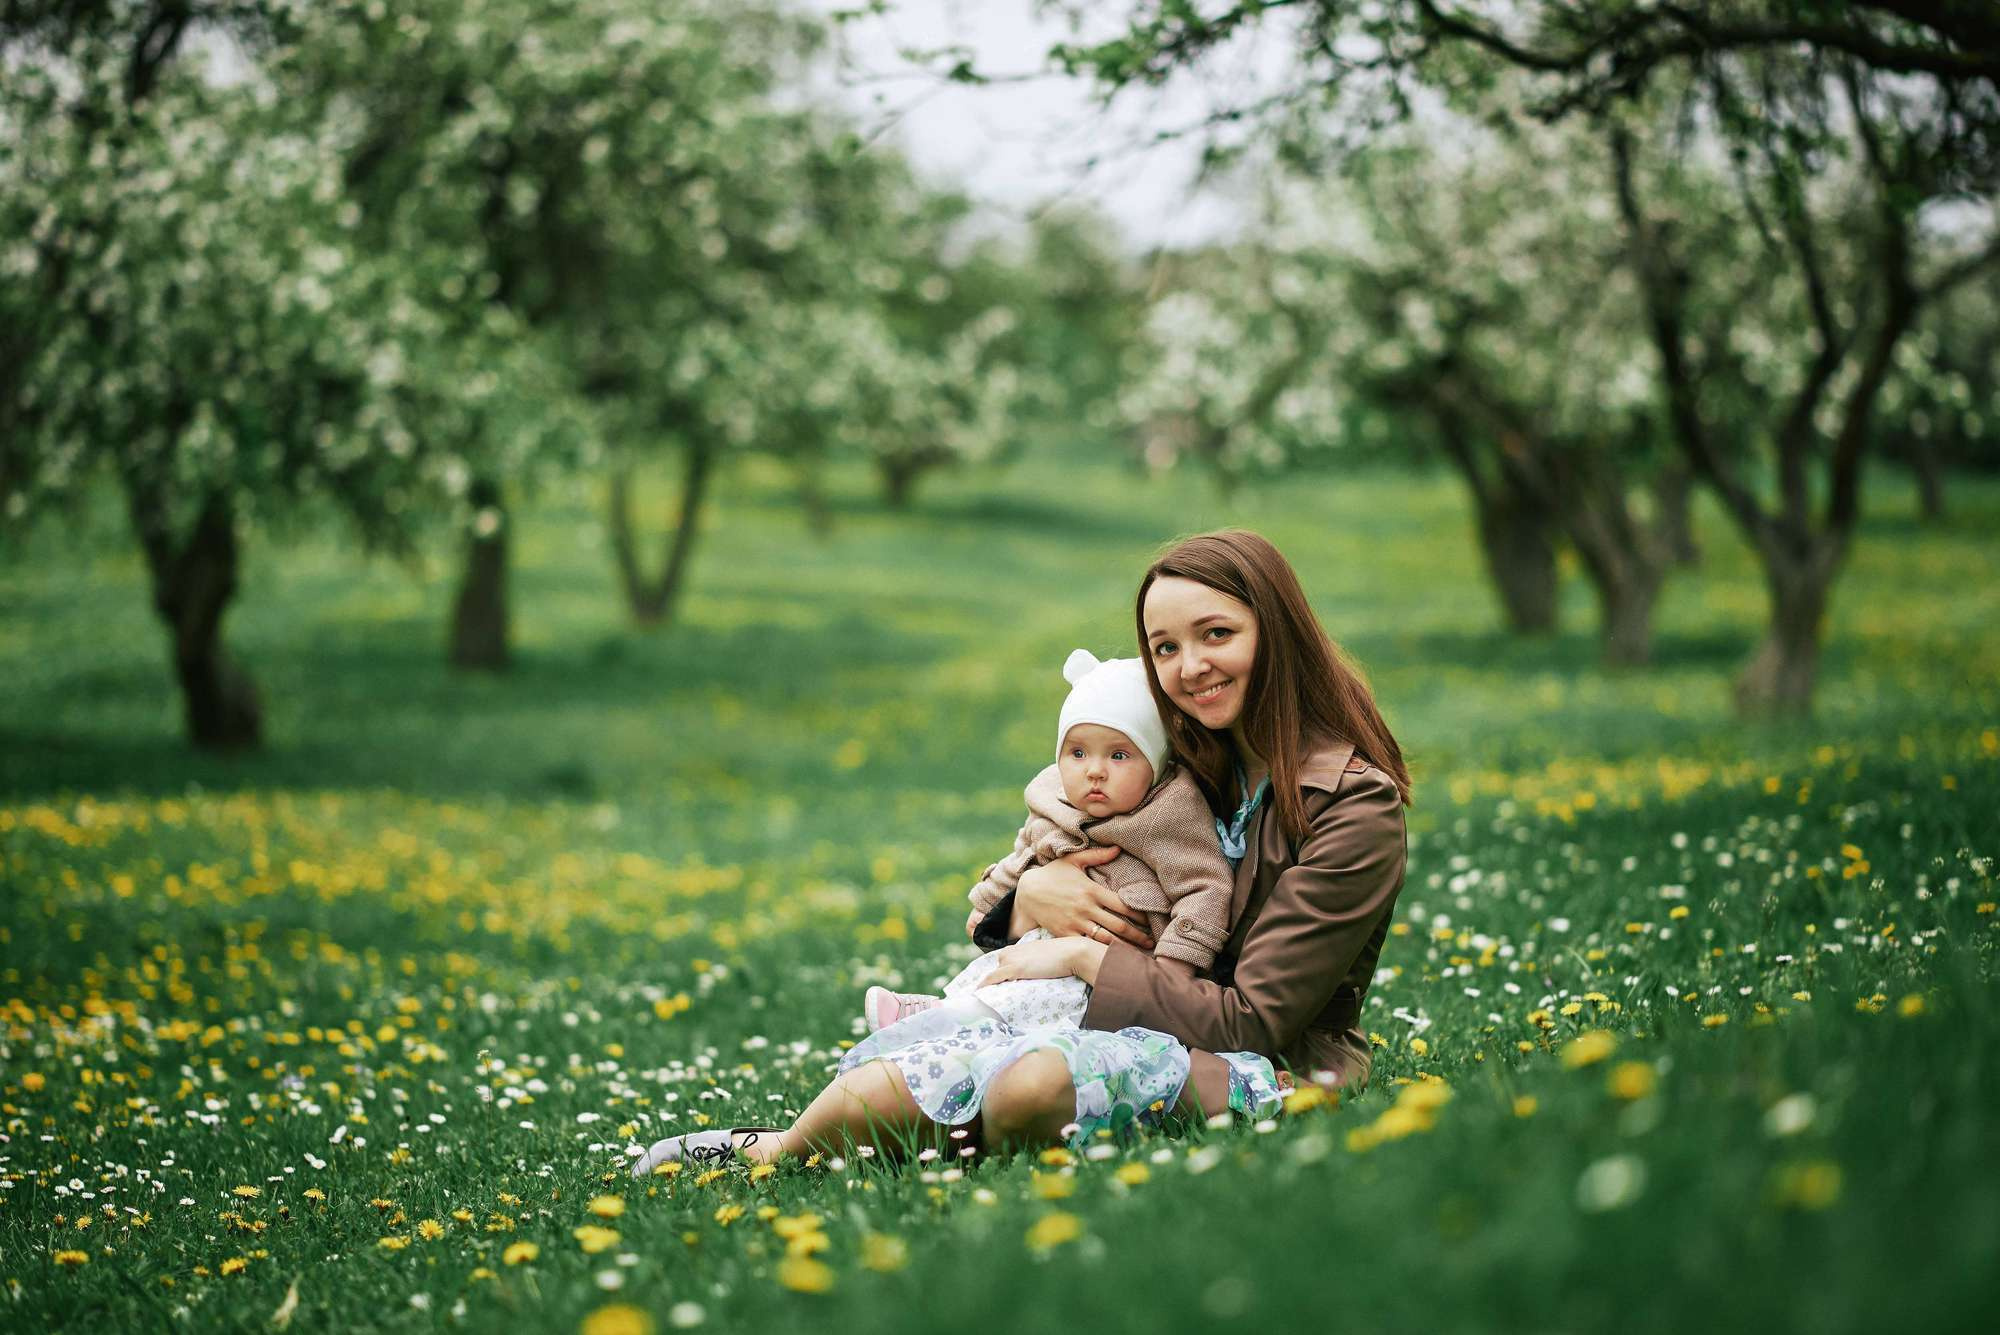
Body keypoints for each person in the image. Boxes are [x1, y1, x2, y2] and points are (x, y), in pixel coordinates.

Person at [627, 529, 1410, 1175]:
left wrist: (1078, 957)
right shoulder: (1186, 763)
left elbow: (1255, 1018)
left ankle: (967, 1143)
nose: (1190, 667)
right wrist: (1030, 894)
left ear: (1275, 629)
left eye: (1216, 634)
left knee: (1027, 1085)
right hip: (1132, 1024)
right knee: (878, 1088)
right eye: (1164, 647)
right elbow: (1050, 854)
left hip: (1269, 1064)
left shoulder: (1350, 804)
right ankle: (770, 1150)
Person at [860, 645, 1237, 1035]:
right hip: (1043, 943)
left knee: (1035, 997)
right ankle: (947, 1014)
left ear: (1156, 765)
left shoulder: (1170, 811)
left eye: (1120, 756)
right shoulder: (1052, 799)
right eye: (1077, 752)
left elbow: (1205, 886)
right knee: (1000, 973)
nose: (1095, 771)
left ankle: (940, 1024)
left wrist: (1173, 965)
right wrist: (988, 901)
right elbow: (1024, 852)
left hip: (1113, 963)